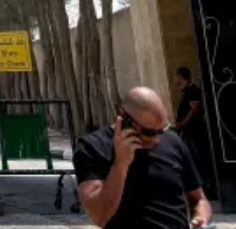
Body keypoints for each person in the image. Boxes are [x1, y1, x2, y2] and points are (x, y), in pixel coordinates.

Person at [74, 87, 212, 229]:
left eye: (162, 130)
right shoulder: (93, 147)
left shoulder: (173, 141)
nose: (157, 139)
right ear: (124, 119)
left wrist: (201, 218)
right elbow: (99, 216)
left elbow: (199, 199)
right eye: (150, 132)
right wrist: (121, 164)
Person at [171, 67, 216, 198]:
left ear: (181, 76)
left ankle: (207, 188)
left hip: (194, 132)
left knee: (198, 159)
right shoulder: (185, 91)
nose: (175, 79)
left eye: (177, 76)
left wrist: (182, 124)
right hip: (188, 131)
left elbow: (194, 111)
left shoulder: (193, 91)